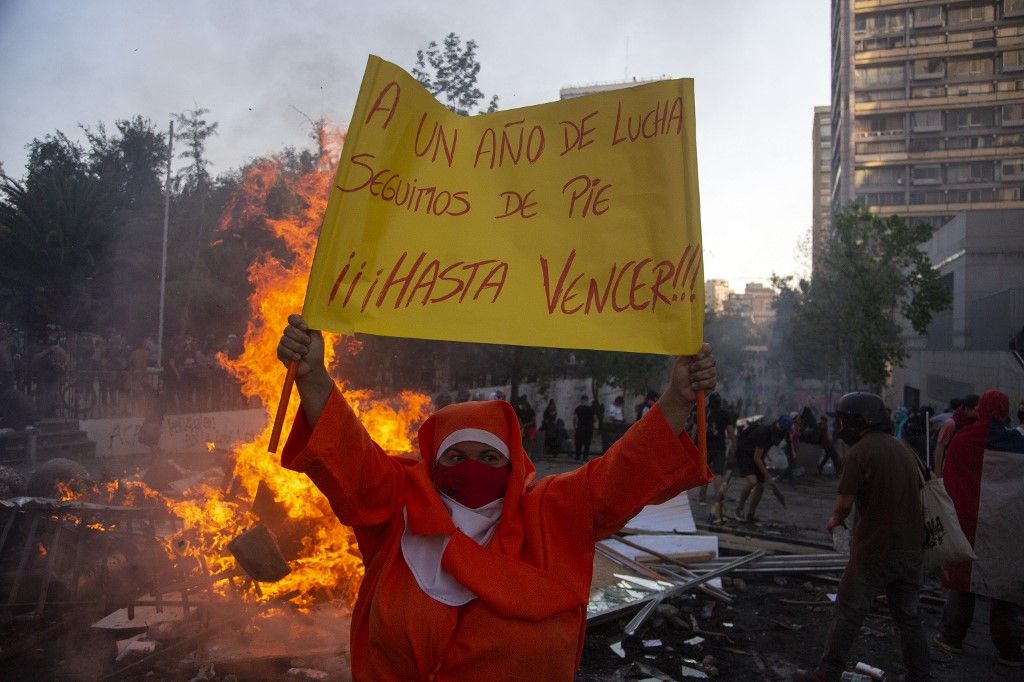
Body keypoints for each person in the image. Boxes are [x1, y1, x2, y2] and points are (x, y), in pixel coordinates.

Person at [275, 314, 716, 680]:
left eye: (489, 457)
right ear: (434, 465)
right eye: (457, 457)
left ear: (511, 467)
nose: (472, 469)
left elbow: (622, 474)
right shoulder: (402, 502)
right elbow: (350, 457)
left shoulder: (553, 511)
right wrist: (312, 376)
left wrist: (677, 399)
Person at [796, 392, 930, 682]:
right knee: (908, 616)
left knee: (848, 611)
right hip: (911, 549)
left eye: (842, 421)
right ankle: (921, 675)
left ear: (856, 422)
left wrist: (834, 522)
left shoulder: (860, 453)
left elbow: (843, 505)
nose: (839, 427)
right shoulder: (902, 448)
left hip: (874, 549)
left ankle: (827, 673)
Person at [935, 389, 1024, 667]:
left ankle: (952, 637)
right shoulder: (1017, 444)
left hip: (968, 524)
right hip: (1005, 527)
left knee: (963, 584)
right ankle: (1009, 650)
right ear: (1004, 409)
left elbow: (950, 481)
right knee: (1005, 589)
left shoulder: (962, 441)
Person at [733, 416, 786, 523]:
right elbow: (756, 458)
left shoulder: (780, 433)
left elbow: (765, 451)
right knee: (753, 481)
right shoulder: (764, 432)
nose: (781, 429)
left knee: (761, 486)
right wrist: (768, 476)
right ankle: (739, 509)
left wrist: (765, 468)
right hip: (745, 453)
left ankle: (751, 514)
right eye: (780, 427)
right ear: (777, 423)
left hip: (756, 455)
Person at [699, 393, 736, 522]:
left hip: (707, 445)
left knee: (706, 470)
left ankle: (702, 496)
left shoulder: (706, 413)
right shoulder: (725, 414)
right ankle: (718, 498)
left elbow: (699, 428)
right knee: (718, 472)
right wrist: (734, 444)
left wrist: (695, 443)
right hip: (720, 447)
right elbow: (730, 431)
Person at [933, 394, 978, 477]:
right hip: (951, 469)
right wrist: (937, 474)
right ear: (967, 409)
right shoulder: (951, 424)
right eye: (976, 410)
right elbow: (940, 449)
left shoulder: (977, 424)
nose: (978, 413)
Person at [572, 395, 597, 462]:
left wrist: (575, 427)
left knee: (578, 443)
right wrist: (592, 425)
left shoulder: (578, 408)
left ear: (581, 400)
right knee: (587, 444)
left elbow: (575, 418)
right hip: (589, 428)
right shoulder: (591, 409)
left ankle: (577, 457)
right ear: (587, 400)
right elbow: (594, 419)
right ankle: (585, 458)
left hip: (580, 428)